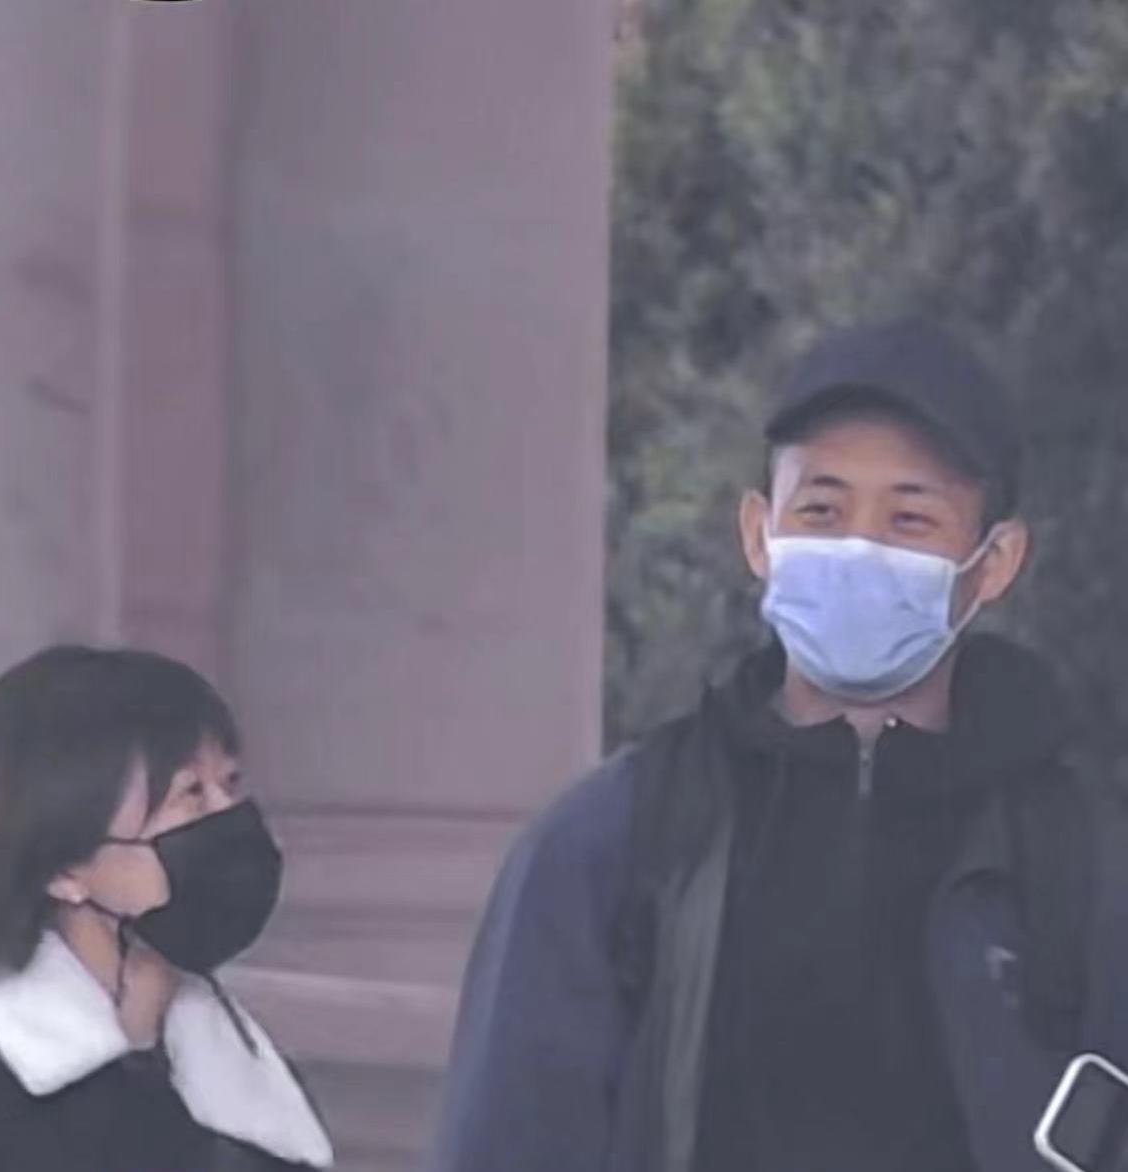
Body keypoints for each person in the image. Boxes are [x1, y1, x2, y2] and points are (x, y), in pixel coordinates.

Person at [428, 318, 1128, 1172]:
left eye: (911, 519)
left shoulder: (1078, 866)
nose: (858, 549)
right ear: (760, 533)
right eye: (821, 511)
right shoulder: (615, 842)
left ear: (995, 561)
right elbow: (509, 1138)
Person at [0, 644, 334, 1171]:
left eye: (230, 784)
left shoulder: (222, 1047)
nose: (230, 817)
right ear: (66, 867)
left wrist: (139, 1047)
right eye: (191, 793)